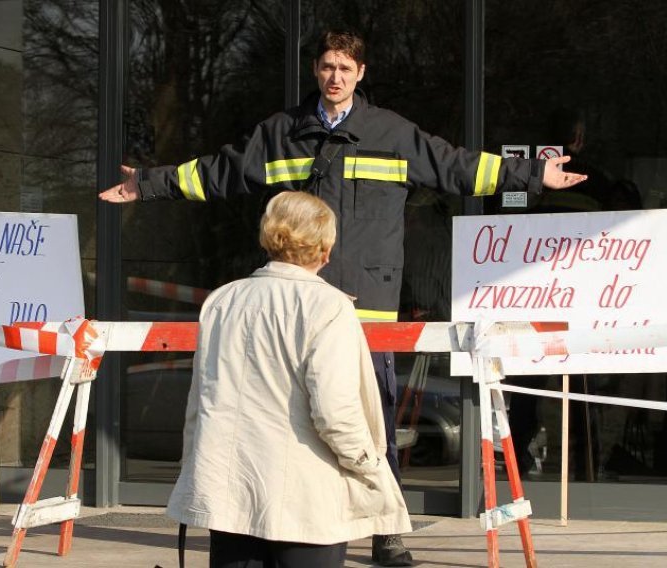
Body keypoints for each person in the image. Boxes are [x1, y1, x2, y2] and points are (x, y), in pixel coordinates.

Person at [101, 29, 586, 566]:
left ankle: (384, 529)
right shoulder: (280, 133)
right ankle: (276, 522)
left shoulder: (391, 133)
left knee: (367, 419)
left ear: (361, 74)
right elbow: (219, 171)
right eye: (328, 67)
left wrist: (534, 174)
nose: (335, 77)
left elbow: (458, 166)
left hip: (365, 313)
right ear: (317, 70)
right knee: (279, 422)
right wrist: (147, 184)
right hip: (293, 309)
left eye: (345, 69)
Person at [166, 191, 412, 568]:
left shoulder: (221, 301)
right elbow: (335, 412)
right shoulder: (330, 307)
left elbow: (200, 398)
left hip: (230, 490)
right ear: (325, 249)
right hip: (307, 498)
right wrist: (370, 464)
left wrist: (194, 464)